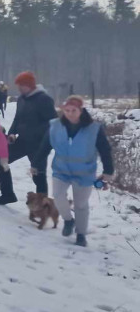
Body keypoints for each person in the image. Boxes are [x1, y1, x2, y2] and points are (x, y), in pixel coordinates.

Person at [31, 96, 114, 247]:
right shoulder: (55, 126)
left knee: (81, 205)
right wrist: (35, 164)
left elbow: (105, 149)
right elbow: (44, 146)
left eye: (73, 110)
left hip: (84, 172)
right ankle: (69, 220)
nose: (70, 113)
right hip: (61, 170)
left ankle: (81, 235)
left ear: (81, 110)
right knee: (57, 196)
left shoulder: (94, 128)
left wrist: (108, 170)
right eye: (67, 110)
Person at [5, 71, 56, 201]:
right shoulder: (22, 99)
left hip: (38, 144)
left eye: (22, 85)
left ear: (30, 85)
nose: (19, 88)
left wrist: (42, 138)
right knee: (2, 161)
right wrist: (12, 133)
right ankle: (7, 194)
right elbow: (17, 118)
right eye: (18, 85)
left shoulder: (44, 99)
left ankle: (43, 203)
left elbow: (53, 122)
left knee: (38, 174)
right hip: (22, 141)